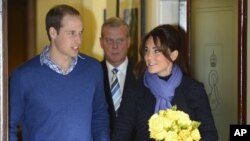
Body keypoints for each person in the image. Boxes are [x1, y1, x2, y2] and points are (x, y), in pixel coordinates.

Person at [9, 4, 110, 141]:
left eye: (81, 32)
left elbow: (99, 115)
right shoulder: (23, 76)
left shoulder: (93, 69)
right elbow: (9, 126)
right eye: (71, 33)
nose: (78, 40)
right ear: (53, 33)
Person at [112, 24, 218, 141]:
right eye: (146, 50)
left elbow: (209, 134)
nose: (148, 57)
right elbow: (121, 132)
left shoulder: (193, 90)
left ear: (173, 55)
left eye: (156, 51)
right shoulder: (135, 90)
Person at [99, 17, 136, 135]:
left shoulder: (142, 74)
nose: (115, 46)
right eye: (109, 40)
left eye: (120, 40)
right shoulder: (93, 74)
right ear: (101, 43)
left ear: (129, 42)